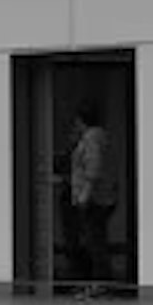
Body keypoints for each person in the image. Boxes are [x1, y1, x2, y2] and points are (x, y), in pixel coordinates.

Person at [60, 101, 118, 292]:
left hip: (94, 200)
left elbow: (93, 169)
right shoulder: (101, 137)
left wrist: (84, 195)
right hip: (104, 197)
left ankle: (100, 284)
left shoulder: (91, 139)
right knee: (95, 241)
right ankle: (97, 282)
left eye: (77, 121)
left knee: (95, 243)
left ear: (82, 120)